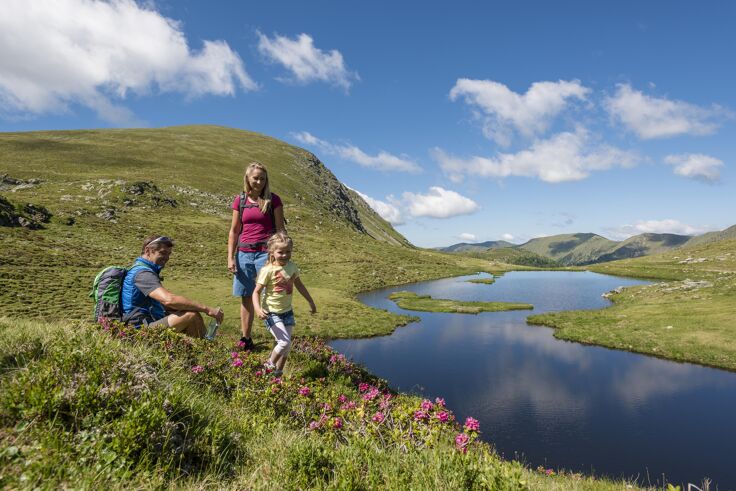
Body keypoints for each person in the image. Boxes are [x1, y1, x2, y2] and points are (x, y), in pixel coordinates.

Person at [228, 162, 285, 349]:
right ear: (248, 178)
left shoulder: (273, 200)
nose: (259, 181)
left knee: (270, 296)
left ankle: (280, 338)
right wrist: (230, 257)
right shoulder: (240, 200)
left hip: (265, 255)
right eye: (255, 178)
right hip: (243, 254)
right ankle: (246, 338)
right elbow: (234, 230)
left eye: (262, 178)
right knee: (246, 297)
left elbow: (280, 230)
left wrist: (280, 256)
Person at [122, 235, 224, 337]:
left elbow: (164, 304)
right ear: (148, 251)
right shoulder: (143, 274)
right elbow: (169, 300)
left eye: (169, 254)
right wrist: (207, 309)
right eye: (162, 253)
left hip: (145, 322)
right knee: (191, 316)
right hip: (139, 329)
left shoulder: (143, 270)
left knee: (186, 311)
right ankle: (202, 349)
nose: (166, 258)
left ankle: (198, 347)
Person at [252, 232, 316, 377]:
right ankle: (266, 368)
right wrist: (258, 309)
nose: (285, 255)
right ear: (272, 252)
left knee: (287, 346)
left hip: (287, 312)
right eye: (280, 252)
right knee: (283, 342)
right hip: (271, 313)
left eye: (288, 252)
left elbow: (299, 285)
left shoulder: (292, 267)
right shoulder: (267, 271)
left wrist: (311, 301)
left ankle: (278, 374)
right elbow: (255, 292)